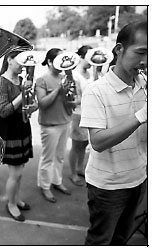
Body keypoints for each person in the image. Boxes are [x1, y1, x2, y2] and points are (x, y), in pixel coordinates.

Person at [80, 21, 147, 245]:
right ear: (119, 50)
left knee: (121, 239)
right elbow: (98, 142)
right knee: (100, 240)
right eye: (141, 53)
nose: (145, 61)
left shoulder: (144, 83)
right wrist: (141, 115)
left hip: (138, 178)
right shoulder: (95, 91)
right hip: (107, 186)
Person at [0, 51, 37, 222]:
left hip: (22, 127)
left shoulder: (20, 80)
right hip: (10, 130)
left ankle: (16, 200)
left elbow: (26, 104)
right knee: (15, 173)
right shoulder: (0, 83)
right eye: (20, 61)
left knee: (20, 170)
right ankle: (11, 204)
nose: (23, 65)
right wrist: (22, 93)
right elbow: (3, 111)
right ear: (9, 60)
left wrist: (32, 106)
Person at [35, 48, 72, 203]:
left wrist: (70, 95)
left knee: (60, 157)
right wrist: (58, 90)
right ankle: (45, 186)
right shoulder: (42, 80)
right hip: (50, 125)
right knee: (47, 158)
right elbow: (42, 104)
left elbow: (71, 100)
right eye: (58, 59)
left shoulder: (66, 77)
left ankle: (57, 181)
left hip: (65, 122)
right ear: (49, 62)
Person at [68, 45, 93, 186]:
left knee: (84, 144)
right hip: (78, 114)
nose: (92, 61)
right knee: (76, 145)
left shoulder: (91, 73)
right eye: (89, 57)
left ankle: (79, 168)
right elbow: (74, 98)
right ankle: (72, 173)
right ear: (82, 57)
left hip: (90, 113)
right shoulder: (74, 75)